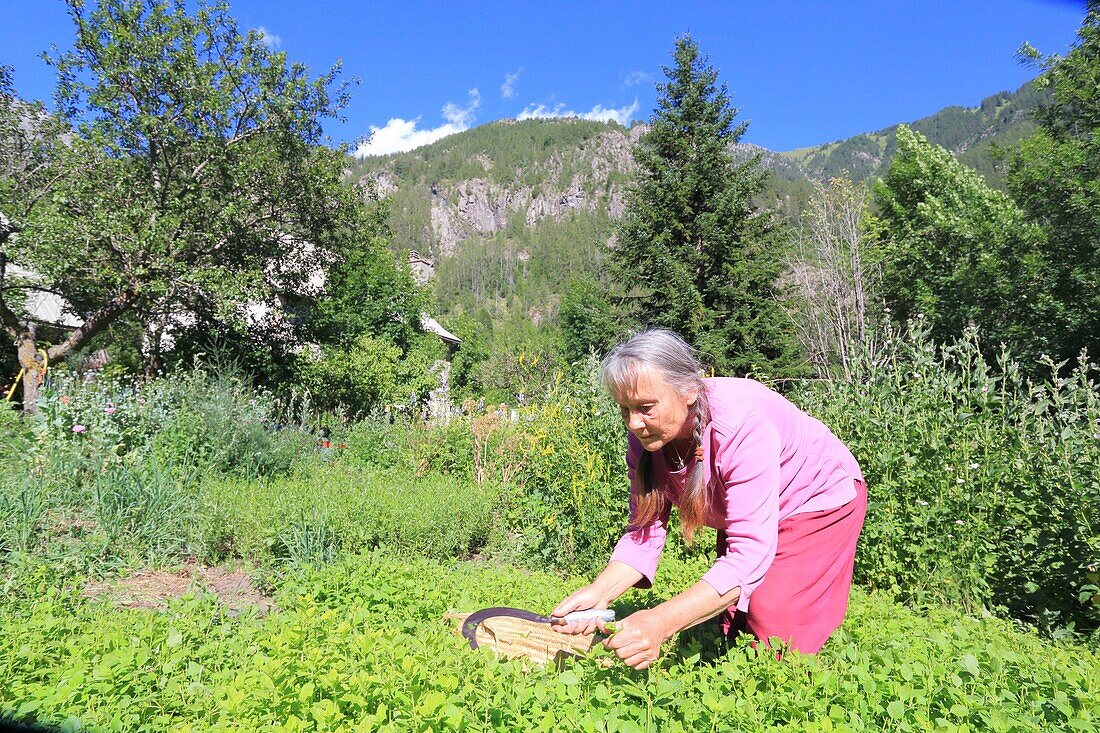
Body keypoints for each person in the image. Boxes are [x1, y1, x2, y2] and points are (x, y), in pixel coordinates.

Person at [551, 329, 867, 669]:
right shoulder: (647, 440)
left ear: (688, 390)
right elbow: (644, 533)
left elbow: (748, 556)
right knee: (732, 626)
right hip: (753, 506)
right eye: (625, 409)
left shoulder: (742, 425)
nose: (633, 423)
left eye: (645, 407)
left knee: (775, 638)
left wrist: (659, 623)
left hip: (814, 498)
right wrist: (600, 593)